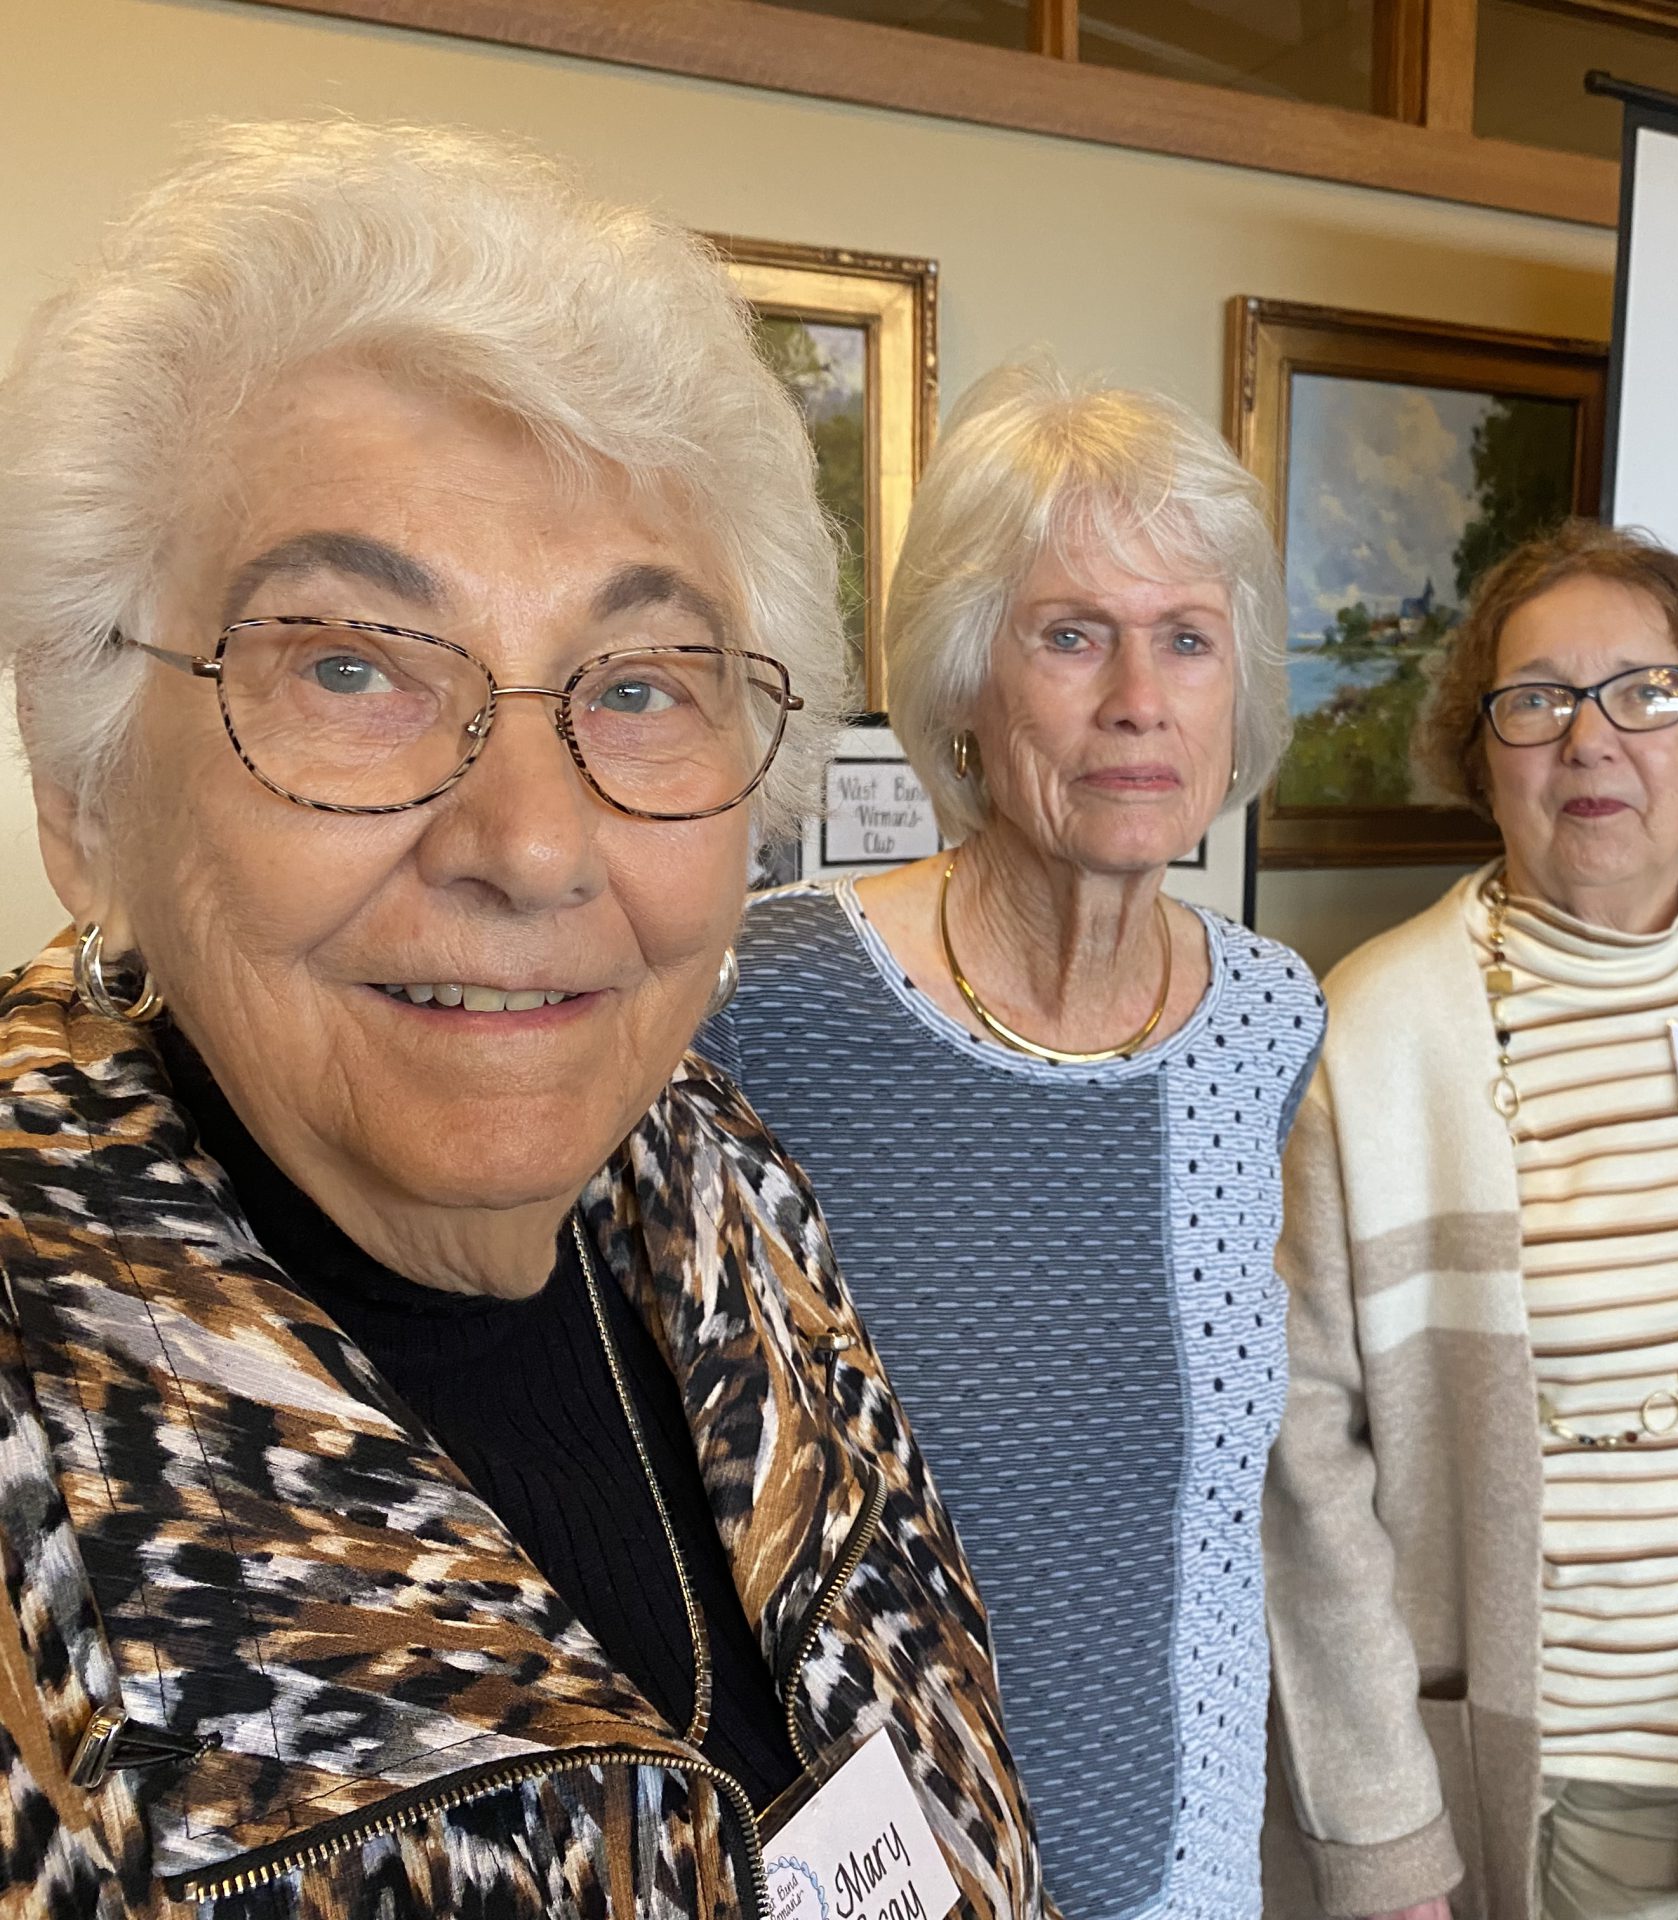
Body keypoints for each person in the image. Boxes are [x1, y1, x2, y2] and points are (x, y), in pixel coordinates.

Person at [0, 122, 1048, 1918]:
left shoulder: (717, 1184)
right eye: (350, 665)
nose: (537, 845)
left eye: (638, 686)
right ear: (87, 789)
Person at [703, 360, 1325, 1920]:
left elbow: (1234, 1520)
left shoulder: (1268, 1018)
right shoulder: (764, 1002)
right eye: (1073, 635)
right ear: (966, 679)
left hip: (1188, 1856)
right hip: (872, 1868)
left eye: (1189, 638)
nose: (1140, 698)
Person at [1262, 520, 1678, 1920]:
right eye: (1536, 700)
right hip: (1483, 1746)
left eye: (1647, 693)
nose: (1591, 740)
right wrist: (1379, 1816)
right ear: (1482, 754)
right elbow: (1303, 1466)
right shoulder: (1375, 1029)